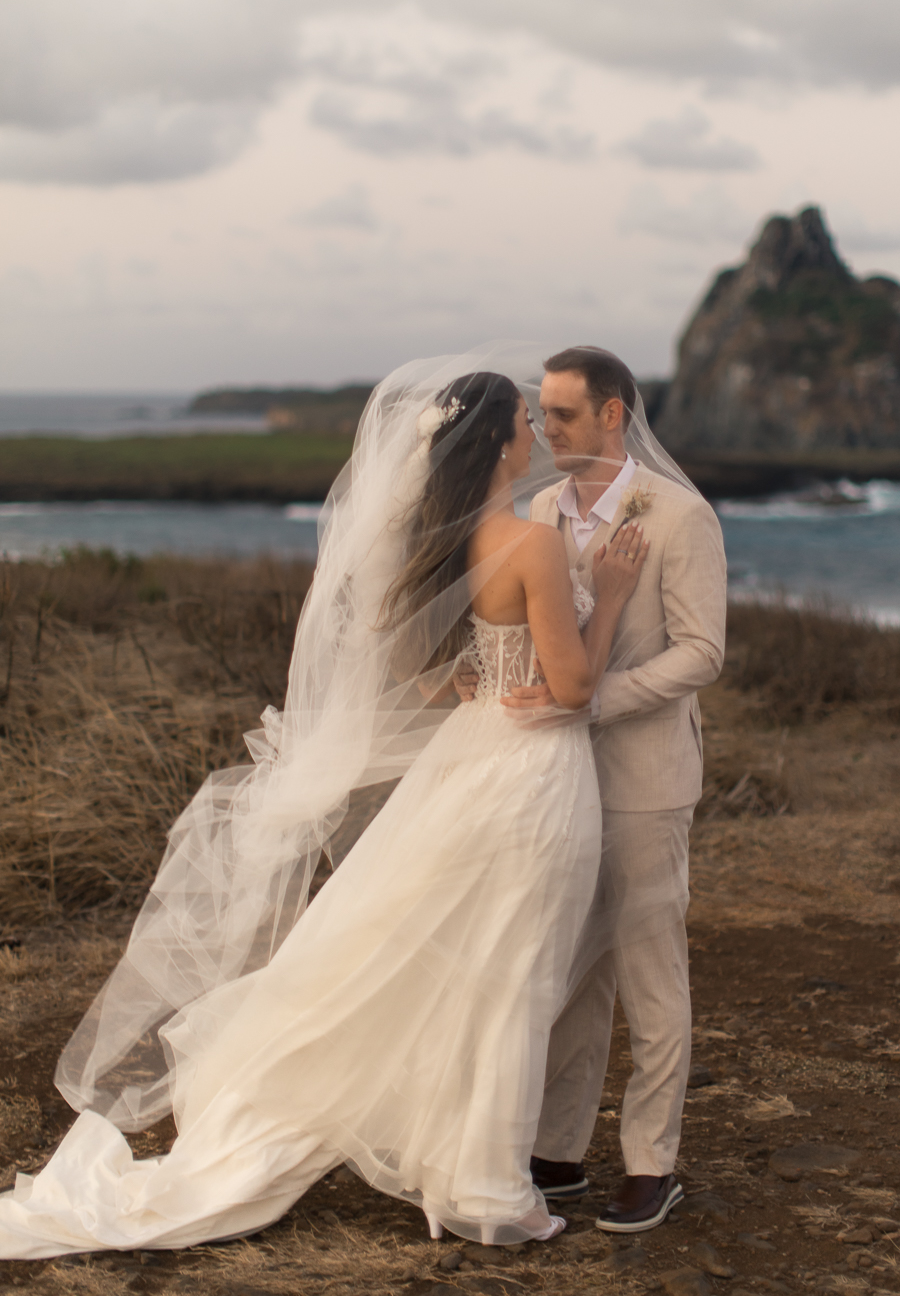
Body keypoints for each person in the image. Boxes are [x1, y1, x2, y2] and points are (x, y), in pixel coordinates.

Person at [0, 357, 650, 1259]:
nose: (536, 434)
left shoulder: (446, 542)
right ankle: (487, 1188)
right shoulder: (531, 543)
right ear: (498, 442)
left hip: (472, 758)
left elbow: (425, 679)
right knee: (511, 970)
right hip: (533, 775)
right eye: (525, 423)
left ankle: (471, 1169)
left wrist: (482, 675)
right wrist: (609, 598)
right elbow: (574, 686)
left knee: (463, 962)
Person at [500, 346, 727, 1235]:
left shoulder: (680, 515)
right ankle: (556, 1151)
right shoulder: (536, 513)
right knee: (568, 963)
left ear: (613, 414)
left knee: (648, 968)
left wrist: (587, 705)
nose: (544, 429)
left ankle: (649, 1163)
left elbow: (703, 651)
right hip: (555, 783)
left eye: (561, 414)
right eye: (540, 415)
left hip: (644, 778)